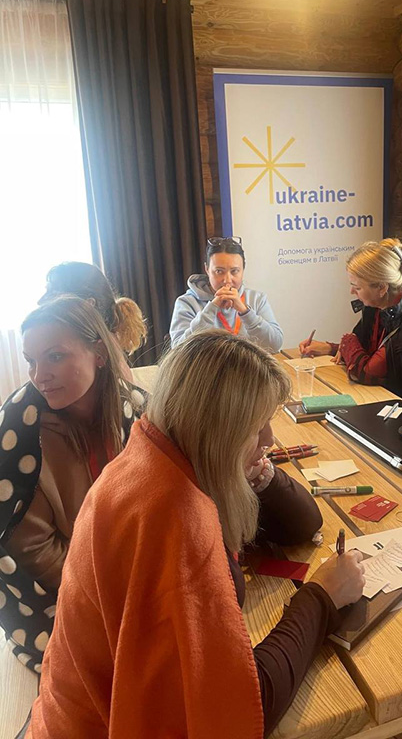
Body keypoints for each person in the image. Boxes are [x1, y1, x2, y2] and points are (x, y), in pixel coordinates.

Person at [27, 330, 365, 738]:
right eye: (256, 426)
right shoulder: (177, 518)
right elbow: (240, 708)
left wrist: (250, 468)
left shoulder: (155, 454)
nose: (269, 440)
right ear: (218, 432)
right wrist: (322, 596)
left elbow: (304, 525)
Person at [0, 297, 145, 672]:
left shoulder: (136, 407)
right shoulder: (22, 432)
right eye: (31, 361)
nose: (39, 376)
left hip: (129, 567)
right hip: (64, 592)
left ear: (99, 353)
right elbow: (31, 548)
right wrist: (109, 590)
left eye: (55, 356)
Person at [299, 238, 402, 410]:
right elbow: (369, 352)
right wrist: (332, 348)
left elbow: (366, 371)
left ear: (382, 288)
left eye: (357, 287)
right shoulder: (376, 305)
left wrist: (347, 342)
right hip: (383, 405)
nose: (351, 291)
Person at [170, 236, 283, 352]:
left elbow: (275, 345)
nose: (227, 280)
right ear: (207, 269)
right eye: (219, 271)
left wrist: (245, 312)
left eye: (234, 271)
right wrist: (211, 308)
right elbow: (178, 351)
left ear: (243, 270)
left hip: (248, 363)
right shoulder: (187, 302)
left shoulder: (257, 299)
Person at [39, 261, 147, 382]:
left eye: (52, 293)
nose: (41, 301)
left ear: (88, 305)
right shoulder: (104, 344)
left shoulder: (95, 351)